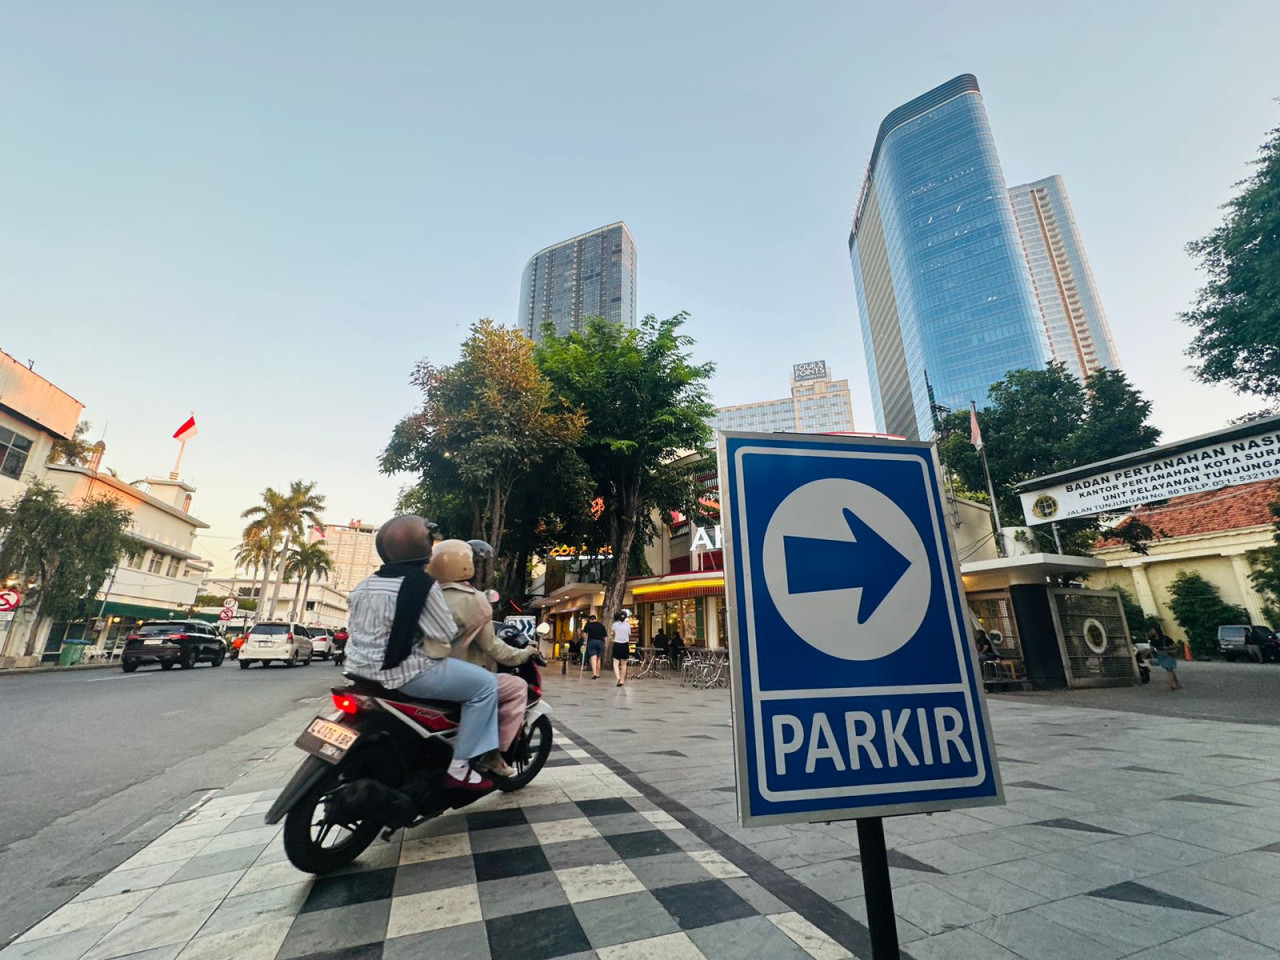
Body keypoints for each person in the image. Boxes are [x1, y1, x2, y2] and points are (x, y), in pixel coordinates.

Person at [343, 515, 501, 790]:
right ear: (422, 545)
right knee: (486, 685)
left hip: (358, 670)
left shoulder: (365, 584)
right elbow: (443, 633)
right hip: (402, 673)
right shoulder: (422, 585)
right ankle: (460, 767)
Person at [428, 539, 538, 777]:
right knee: (516, 686)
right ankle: (491, 754)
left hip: (417, 672)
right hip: (455, 676)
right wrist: (525, 653)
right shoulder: (473, 600)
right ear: (467, 567)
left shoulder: (426, 595)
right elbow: (494, 648)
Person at [582, 614, 607, 679]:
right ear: (595, 619)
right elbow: (605, 636)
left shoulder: (588, 625)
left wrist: (585, 641)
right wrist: (606, 644)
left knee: (593, 658)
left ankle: (594, 674)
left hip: (592, 642)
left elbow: (584, 633)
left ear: (590, 620)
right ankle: (598, 674)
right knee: (598, 658)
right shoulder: (601, 625)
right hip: (600, 642)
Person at [611, 611, 632, 686]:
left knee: (615, 663)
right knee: (624, 664)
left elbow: (612, 633)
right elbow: (629, 634)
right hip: (625, 645)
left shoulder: (615, 625)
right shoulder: (628, 625)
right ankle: (622, 680)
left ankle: (618, 677)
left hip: (617, 644)